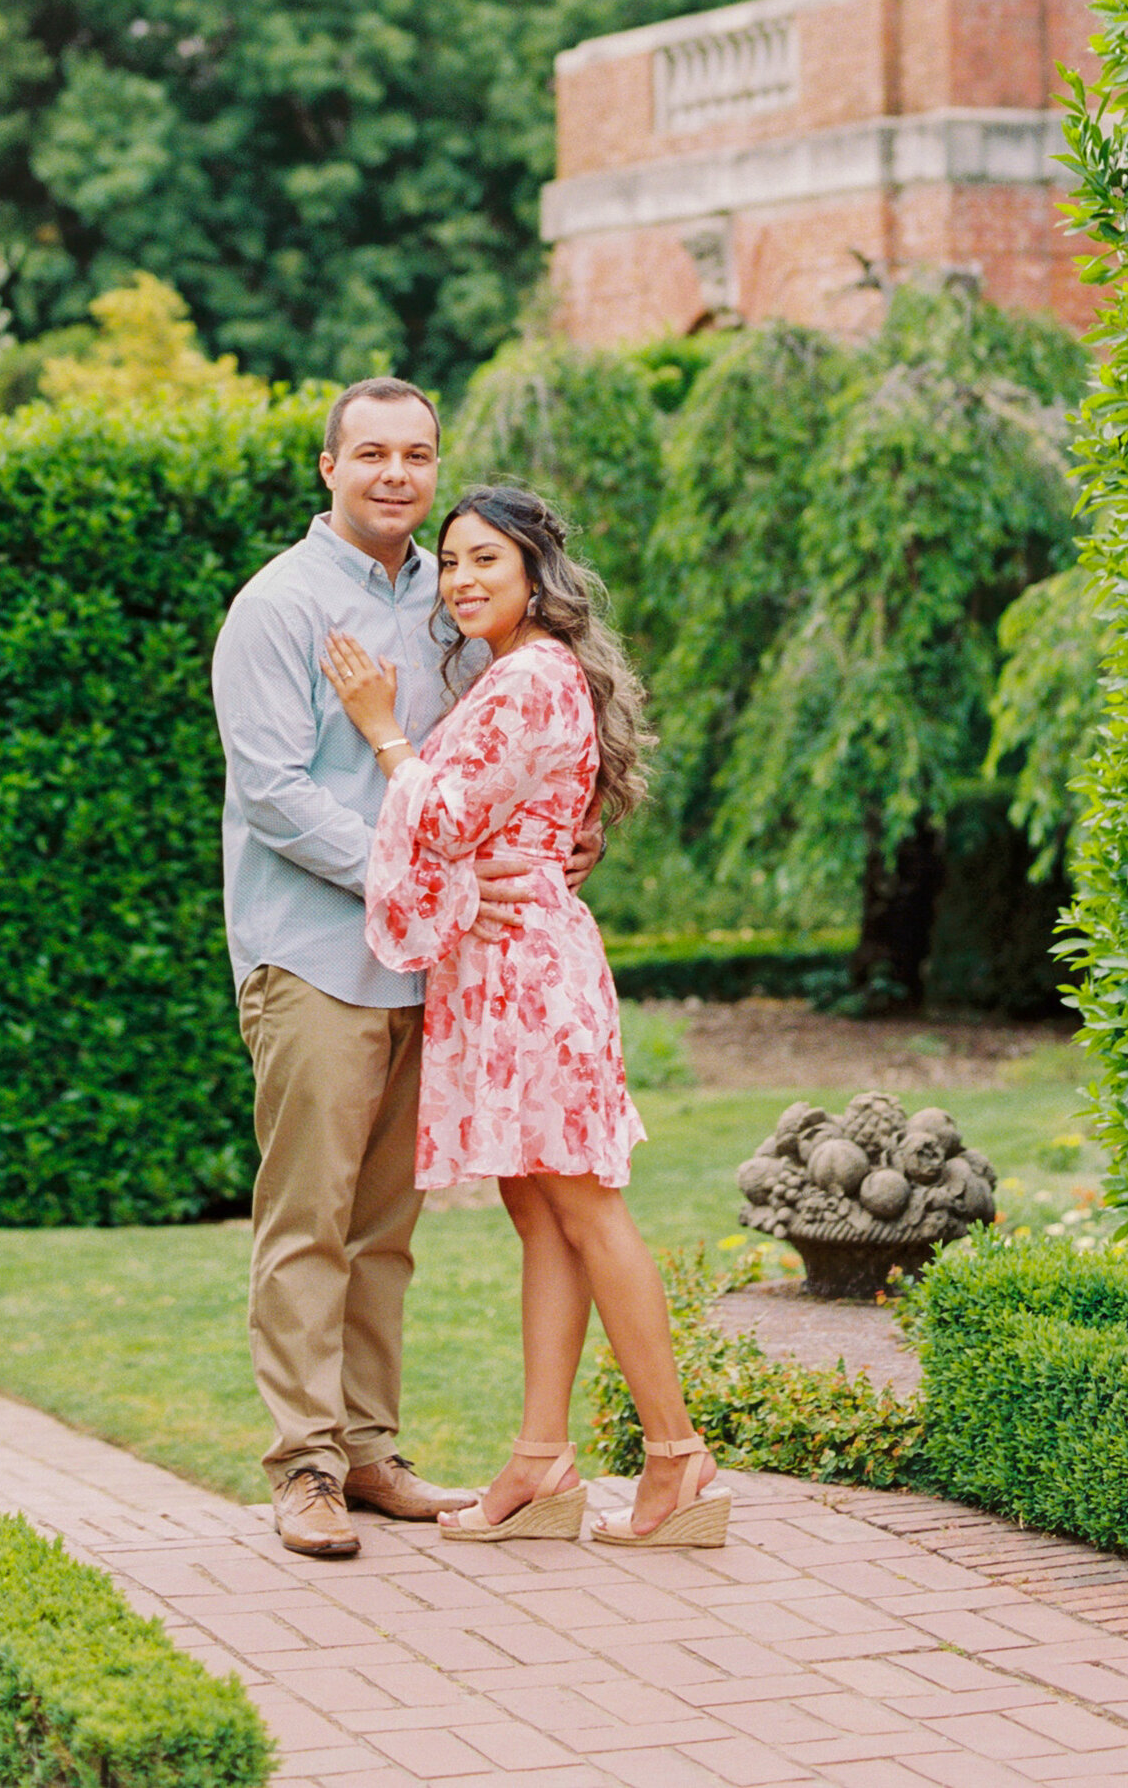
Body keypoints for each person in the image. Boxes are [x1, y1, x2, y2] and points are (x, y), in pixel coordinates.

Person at [211, 377, 598, 1559]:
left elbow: (499, 754)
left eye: (416, 454)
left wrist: (563, 829)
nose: (395, 472)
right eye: (369, 452)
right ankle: (305, 1469)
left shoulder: (455, 600)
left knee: (386, 1229)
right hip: (314, 956)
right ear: (324, 468)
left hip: (427, 965)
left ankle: (371, 1452)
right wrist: (417, 876)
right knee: (307, 1220)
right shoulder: (275, 608)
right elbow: (275, 794)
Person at [321, 481, 728, 1550]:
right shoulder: (523, 676)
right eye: (449, 563)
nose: (459, 580)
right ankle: (541, 1459)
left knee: (586, 1207)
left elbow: (445, 816)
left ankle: (678, 1459)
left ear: (535, 572)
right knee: (538, 1211)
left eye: (483, 560)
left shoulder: (528, 677)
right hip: (498, 968)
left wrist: (380, 730)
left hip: (528, 975)